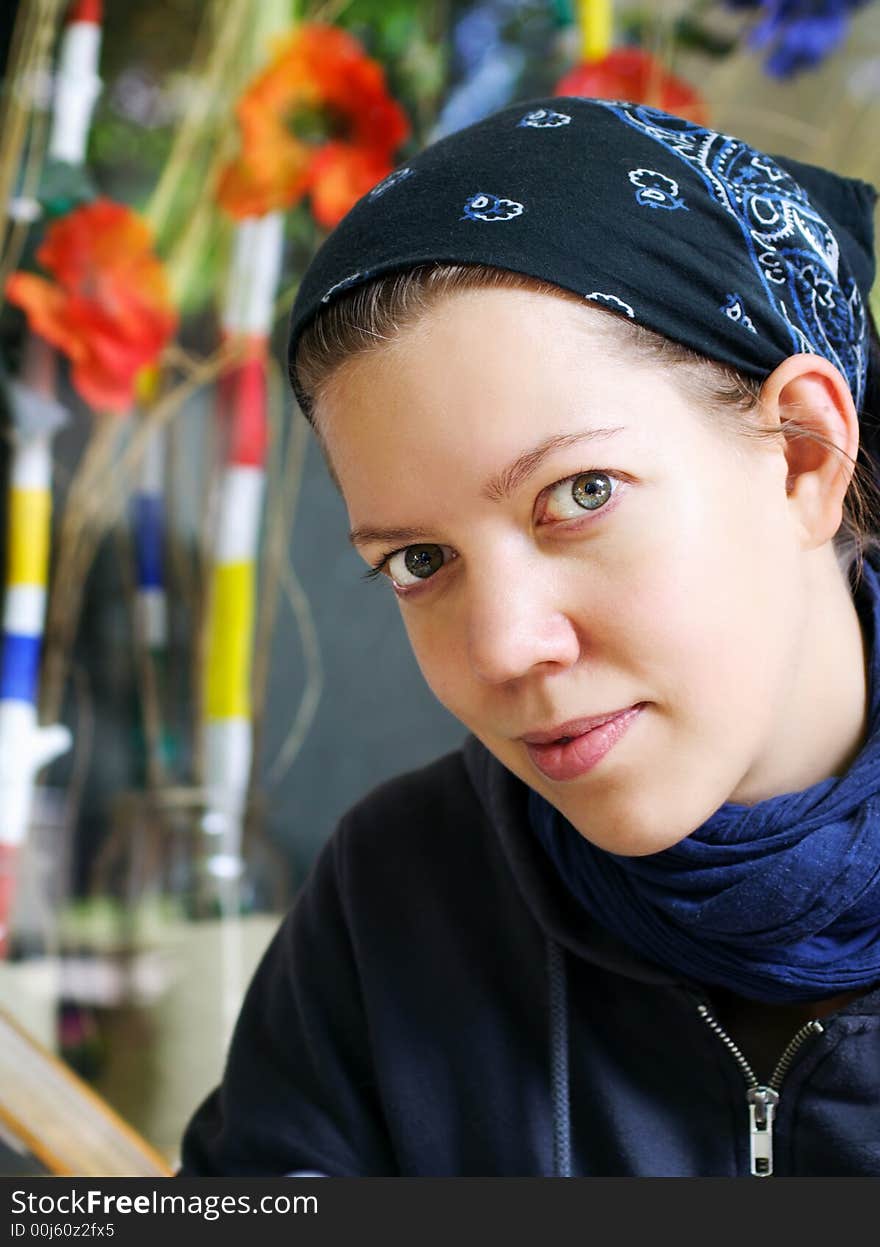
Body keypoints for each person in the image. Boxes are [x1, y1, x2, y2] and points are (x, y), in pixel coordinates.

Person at [180, 96, 880, 1177]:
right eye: (418, 561)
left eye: (580, 492)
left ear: (800, 452)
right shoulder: (394, 900)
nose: (502, 647)